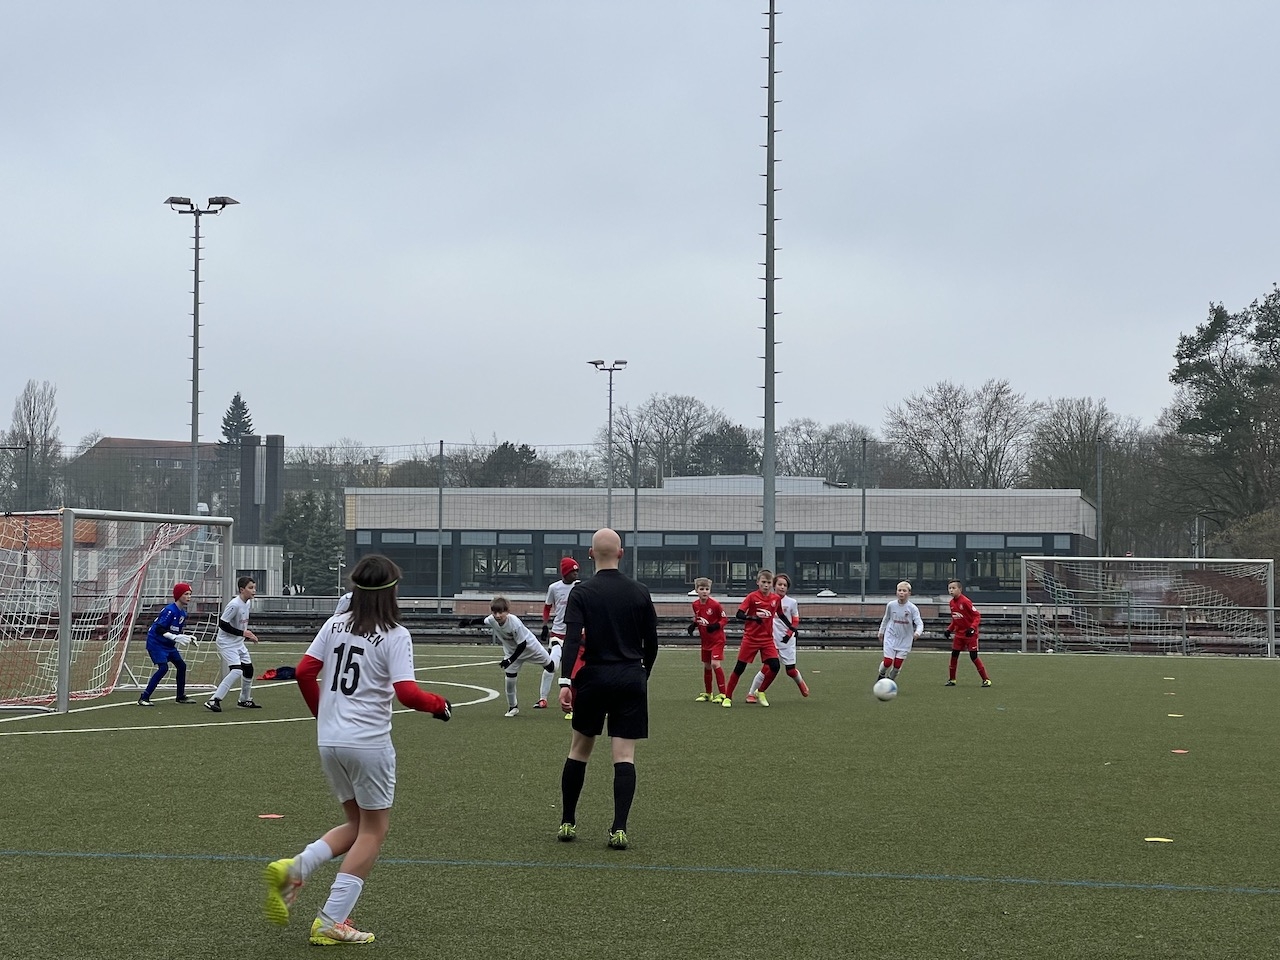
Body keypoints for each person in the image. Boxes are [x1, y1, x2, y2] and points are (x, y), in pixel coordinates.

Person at [263, 554, 451, 946]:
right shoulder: (395, 634)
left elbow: (304, 672)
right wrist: (438, 704)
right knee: (374, 830)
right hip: (367, 743)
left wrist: (323, 715)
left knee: (357, 824)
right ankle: (331, 920)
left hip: (330, 741)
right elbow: (407, 693)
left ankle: (295, 869)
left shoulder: (334, 624)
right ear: (392, 590)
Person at [557, 528, 658, 850]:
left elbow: (572, 641)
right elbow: (652, 643)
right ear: (621, 553)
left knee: (578, 750)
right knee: (624, 756)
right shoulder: (640, 591)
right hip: (630, 677)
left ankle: (568, 822)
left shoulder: (581, 592)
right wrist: (643, 674)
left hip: (593, 678)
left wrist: (565, 681)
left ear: (590, 554)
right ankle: (619, 829)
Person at [720, 569, 782, 709]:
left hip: (767, 639)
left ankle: (760, 691)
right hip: (751, 638)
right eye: (763, 582)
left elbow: (780, 614)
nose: (766, 585)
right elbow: (739, 614)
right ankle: (727, 697)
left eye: (769, 582)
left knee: (775, 666)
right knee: (739, 668)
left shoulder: (776, 599)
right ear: (758, 582)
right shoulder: (752, 597)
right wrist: (752, 618)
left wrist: (791, 627)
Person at [484, 596, 554, 717]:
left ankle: (556, 647)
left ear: (507, 611)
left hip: (531, 649)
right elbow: (483, 620)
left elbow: (522, 644)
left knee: (552, 667)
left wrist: (509, 660)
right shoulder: (491, 619)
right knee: (509, 680)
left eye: (500, 612)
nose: (497, 615)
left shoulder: (514, 623)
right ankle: (513, 707)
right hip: (512, 652)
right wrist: (468, 622)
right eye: (494, 612)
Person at [747, 572, 809, 705]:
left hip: (787, 640)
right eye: (780, 584)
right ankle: (752, 693)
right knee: (767, 667)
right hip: (771, 639)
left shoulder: (792, 602)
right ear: (774, 586)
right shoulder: (769, 599)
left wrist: (789, 634)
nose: (782, 587)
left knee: (790, 670)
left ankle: (801, 683)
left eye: (785, 585)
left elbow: (795, 620)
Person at [205, 576, 261, 712]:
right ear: (242, 590)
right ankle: (214, 700)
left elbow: (241, 625)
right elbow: (222, 624)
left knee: (248, 669)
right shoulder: (234, 605)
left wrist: (247, 634)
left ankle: (244, 700)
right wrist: (243, 633)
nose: (254, 590)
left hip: (238, 642)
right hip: (226, 643)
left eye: (254, 588)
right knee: (236, 670)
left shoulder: (247, 603)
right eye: (250, 588)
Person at [139, 582, 198, 706]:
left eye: (190, 594)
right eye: (186, 594)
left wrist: (187, 638)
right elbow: (159, 629)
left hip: (168, 645)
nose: (189, 597)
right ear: (178, 595)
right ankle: (144, 698)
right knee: (163, 668)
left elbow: (175, 631)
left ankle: (180, 696)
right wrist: (174, 637)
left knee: (181, 666)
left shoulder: (182, 613)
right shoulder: (169, 611)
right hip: (156, 643)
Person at [537, 557, 580, 715]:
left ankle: (577, 700)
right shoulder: (554, 588)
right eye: (573, 571)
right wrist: (544, 625)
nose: (576, 574)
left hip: (574, 635)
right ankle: (543, 698)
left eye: (577, 571)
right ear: (565, 573)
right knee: (552, 665)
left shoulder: (580, 587)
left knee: (577, 669)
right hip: (557, 634)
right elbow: (547, 607)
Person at [944, 578, 992, 687]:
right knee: (954, 655)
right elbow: (955, 619)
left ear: (960, 589)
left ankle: (986, 679)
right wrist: (949, 629)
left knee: (973, 656)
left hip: (970, 635)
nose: (951, 590)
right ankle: (952, 679)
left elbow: (977, 616)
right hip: (959, 635)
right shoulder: (951, 603)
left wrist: (972, 628)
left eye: (953, 588)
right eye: (949, 588)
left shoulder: (965, 601)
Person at [687, 577, 727, 702]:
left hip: (717, 640)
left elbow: (724, 619)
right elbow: (699, 617)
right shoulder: (695, 605)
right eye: (702, 589)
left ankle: (723, 694)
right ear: (696, 590)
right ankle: (708, 693)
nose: (705, 591)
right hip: (705, 641)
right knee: (707, 666)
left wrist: (716, 626)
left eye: (707, 589)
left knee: (715, 664)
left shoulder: (715, 605)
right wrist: (694, 625)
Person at [878, 580, 924, 682]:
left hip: (905, 639)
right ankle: (881, 674)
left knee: (897, 665)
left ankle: (890, 681)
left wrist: (917, 632)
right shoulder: (891, 605)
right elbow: (886, 618)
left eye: (904, 590)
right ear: (896, 592)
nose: (901, 593)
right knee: (888, 662)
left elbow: (919, 623)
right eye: (899, 590)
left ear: (909, 593)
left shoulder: (912, 608)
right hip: (891, 636)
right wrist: (881, 631)